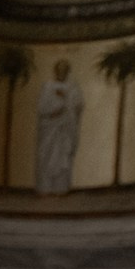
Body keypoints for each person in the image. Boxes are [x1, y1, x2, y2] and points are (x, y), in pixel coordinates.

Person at [35, 59, 83, 195]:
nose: (62, 72)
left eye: (65, 70)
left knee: (63, 159)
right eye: (59, 69)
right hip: (50, 128)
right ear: (55, 71)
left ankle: (61, 189)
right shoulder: (48, 86)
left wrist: (67, 103)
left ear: (68, 71)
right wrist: (54, 111)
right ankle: (45, 188)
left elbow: (78, 106)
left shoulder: (73, 87)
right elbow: (41, 108)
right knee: (47, 157)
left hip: (65, 130)